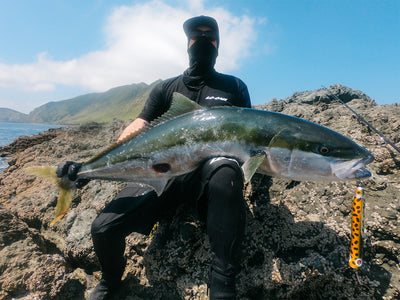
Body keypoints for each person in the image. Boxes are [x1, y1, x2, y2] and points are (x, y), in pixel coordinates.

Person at [57, 16, 251, 300]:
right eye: (196, 35)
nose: (203, 39)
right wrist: (90, 167)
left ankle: (223, 285)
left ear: (218, 43)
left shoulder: (233, 86)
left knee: (226, 176)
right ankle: (111, 279)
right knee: (103, 228)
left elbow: (250, 132)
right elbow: (139, 125)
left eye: (209, 35)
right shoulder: (166, 88)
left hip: (211, 173)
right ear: (188, 44)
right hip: (163, 172)